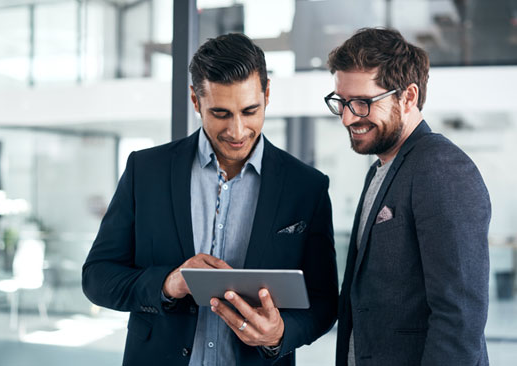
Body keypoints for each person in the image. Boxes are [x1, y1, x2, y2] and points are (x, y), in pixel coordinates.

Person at [82, 33, 338, 366]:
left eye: (250, 111)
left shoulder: (307, 187)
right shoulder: (146, 171)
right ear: (195, 100)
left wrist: (279, 334)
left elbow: (324, 302)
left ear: (268, 94)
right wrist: (168, 283)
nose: (237, 130)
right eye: (220, 113)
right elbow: (97, 277)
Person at [324, 28, 491, 365]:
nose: (346, 116)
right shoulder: (380, 169)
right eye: (341, 102)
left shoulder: (442, 168)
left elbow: (458, 318)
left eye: (362, 103)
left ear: (408, 97)